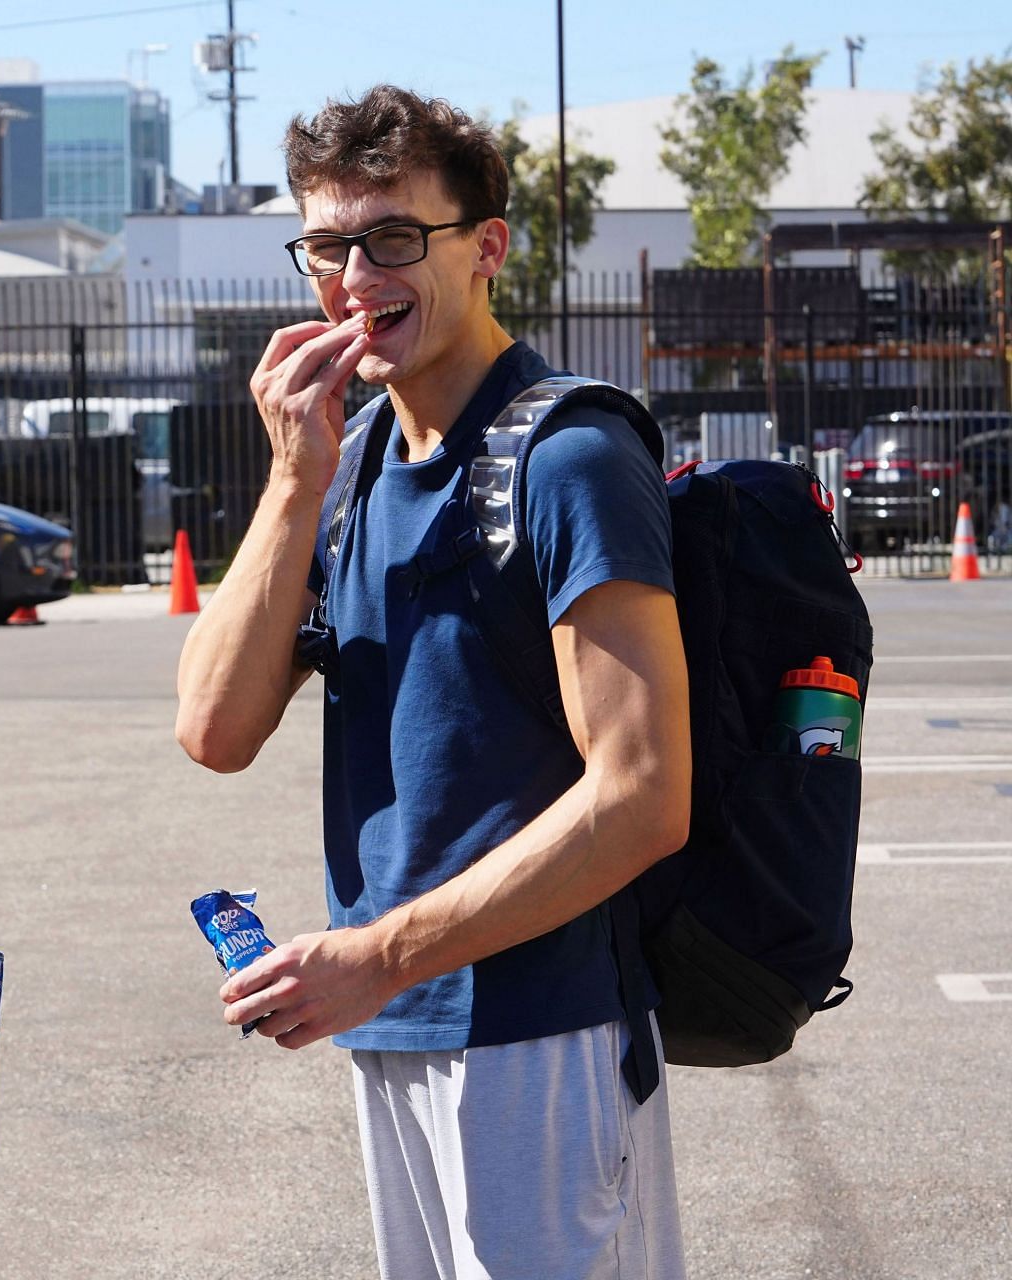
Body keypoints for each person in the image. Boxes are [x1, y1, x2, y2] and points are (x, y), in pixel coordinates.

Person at [175, 87, 691, 1279]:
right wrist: (295, 476)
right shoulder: (347, 464)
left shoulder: (573, 457)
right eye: (327, 244)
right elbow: (211, 726)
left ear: (488, 246)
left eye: (395, 237)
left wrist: (381, 955)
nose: (356, 274)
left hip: (541, 1031)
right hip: (396, 1025)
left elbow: (644, 794)